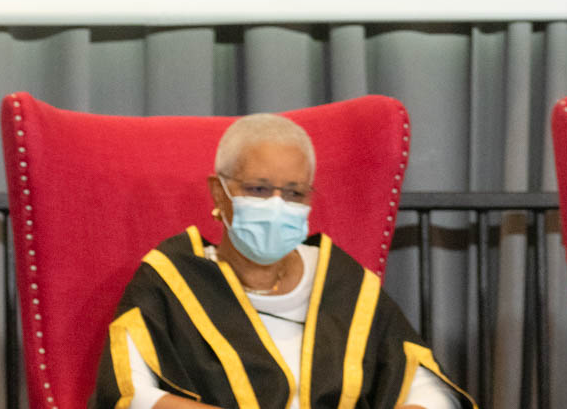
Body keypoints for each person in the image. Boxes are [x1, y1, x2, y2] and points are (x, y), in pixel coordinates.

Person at [93, 113, 472, 409]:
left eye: (294, 193)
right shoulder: (170, 279)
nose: (278, 205)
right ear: (219, 192)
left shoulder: (340, 281)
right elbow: (128, 392)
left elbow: (424, 382)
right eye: (258, 189)